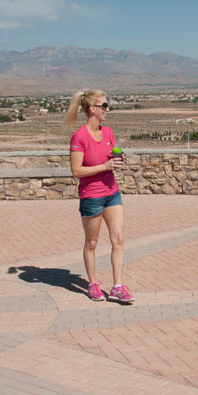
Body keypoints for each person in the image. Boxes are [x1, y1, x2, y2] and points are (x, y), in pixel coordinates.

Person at [66, 89, 134, 304]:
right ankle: (93, 284)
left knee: (119, 239)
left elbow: (113, 154)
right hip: (92, 196)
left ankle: (117, 287)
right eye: (104, 105)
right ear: (93, 109)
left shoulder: (108, 132)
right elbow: (76, 171)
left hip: (111, 193)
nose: (108, 110)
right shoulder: (80, 137)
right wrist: (104, 165)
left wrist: (119, 157)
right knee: (92, 242)